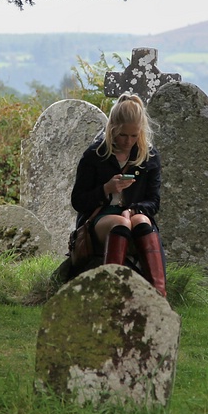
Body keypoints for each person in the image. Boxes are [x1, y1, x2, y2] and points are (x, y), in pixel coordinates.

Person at [70, 93, 166, 297]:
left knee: (142, 221)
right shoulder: (94, 155)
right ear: (112, 128)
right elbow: (78, 201)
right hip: (100, 217)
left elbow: (153, 201)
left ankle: (159, 294)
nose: (128, 141)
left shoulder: (149, 156)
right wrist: (106, 189)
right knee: (121, 224)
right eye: (123, 135)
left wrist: (132, 210)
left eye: (134, 135)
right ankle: (111, 293)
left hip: (134, 214)